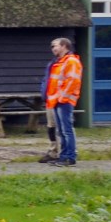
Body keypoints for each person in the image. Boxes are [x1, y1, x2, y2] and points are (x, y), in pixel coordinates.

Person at [45, 36, 83, 166]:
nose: (53, 48)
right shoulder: (60, 62)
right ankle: (63, 156)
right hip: (57, 101)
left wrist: (63, 97)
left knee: (67, 130)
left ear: (64, 46)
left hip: (64, 101)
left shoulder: (71, 61)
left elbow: (73, 81)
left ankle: (70, 157)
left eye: (55, 45)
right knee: (61, 131)